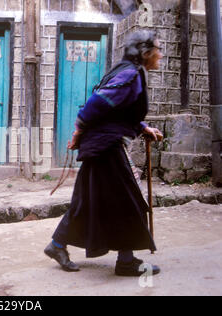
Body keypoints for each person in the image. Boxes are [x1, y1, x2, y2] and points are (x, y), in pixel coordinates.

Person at [44, 30, 164, 277]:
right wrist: (78, 133)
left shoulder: (129, 73)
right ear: (146, 53)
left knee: (87, 200)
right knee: (129, 199)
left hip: (101, 145)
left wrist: (143, 128)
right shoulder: (131, 74)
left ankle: (57, 245)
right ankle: (127, 261)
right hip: (104, 146)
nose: (161, 55)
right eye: (158, 49)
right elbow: (95, 106)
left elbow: (119, 112)